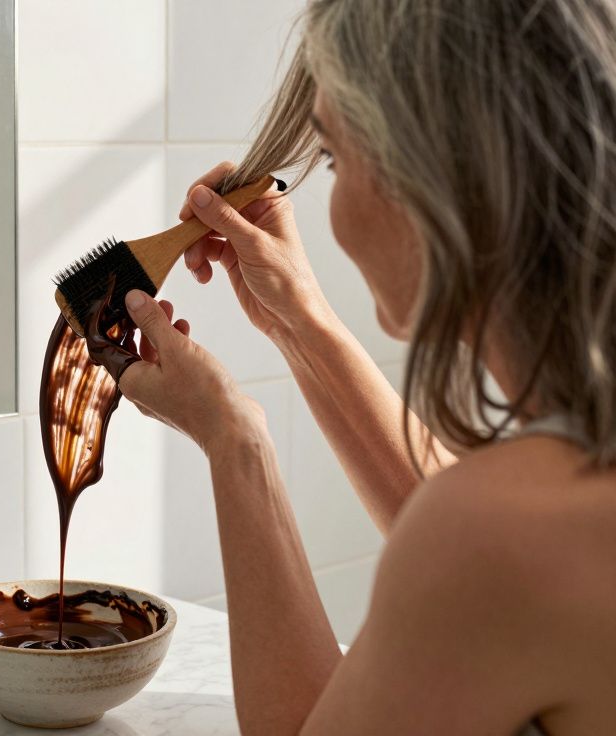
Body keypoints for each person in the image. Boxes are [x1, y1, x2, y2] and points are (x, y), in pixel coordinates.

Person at [109, 0, 616, 732]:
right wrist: (301, 323)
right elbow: (480, 560)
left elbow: (478, 546)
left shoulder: (498, 530)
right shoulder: (542, 509)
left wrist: (234, 440)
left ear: (435, 178)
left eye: (336, 158)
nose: (333, 202)